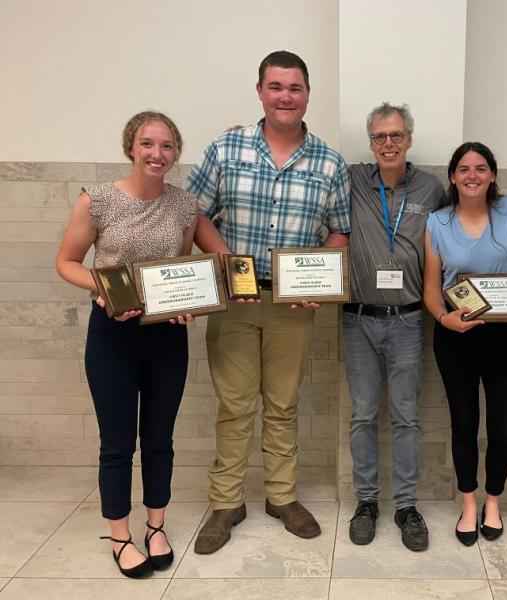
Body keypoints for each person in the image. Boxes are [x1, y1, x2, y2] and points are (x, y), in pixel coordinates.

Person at [188, 50, 351, 553]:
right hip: (235, 303)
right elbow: (194, 214)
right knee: (235, 406)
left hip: (291, 308)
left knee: (282, 403)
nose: (286, 96)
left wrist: (315, 282)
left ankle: (282, 497)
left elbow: (340, 232)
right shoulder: (226, 147)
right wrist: (228, 262)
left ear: (308, 95)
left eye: (295, 87)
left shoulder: (329, 161)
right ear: (260, 90)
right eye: (276, 86)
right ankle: (226, 503)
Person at [55, 111, 199, 578]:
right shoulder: (96, 201)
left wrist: (194, 299)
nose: (157, 154)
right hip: (113, 336)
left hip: (166, 336)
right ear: (130, 148)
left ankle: (156, 526)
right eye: (147, 144)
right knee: (117, 443)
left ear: (175, 153)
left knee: (160, 439)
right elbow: (67, 261)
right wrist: (100, 289)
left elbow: (198, 265)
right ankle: (120, 535)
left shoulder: (185, 206)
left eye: (166, 146)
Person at [343, 103, 446, 552]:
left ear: (409, 140)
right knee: (363, 415)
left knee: (406, 418)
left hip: (407, 320)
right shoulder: (349, 179)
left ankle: (406, 507)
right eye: (381, 136)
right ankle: (367, 503)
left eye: (397, 135)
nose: (389, 143)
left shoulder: (430, 187)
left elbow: (468, 214)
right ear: (370, 142)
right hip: (357, 319)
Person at [423, 142, 507, 546]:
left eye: (481, 168)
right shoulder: (437, 222)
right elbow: (432, 287)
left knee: (503, 428)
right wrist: (442, 318)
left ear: (493, 174)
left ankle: (493, 502)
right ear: (452, 176)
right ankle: (469, 503)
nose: (472, 175)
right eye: (464, 169)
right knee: (465, 424)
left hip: (506, 336)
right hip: (456, 334)